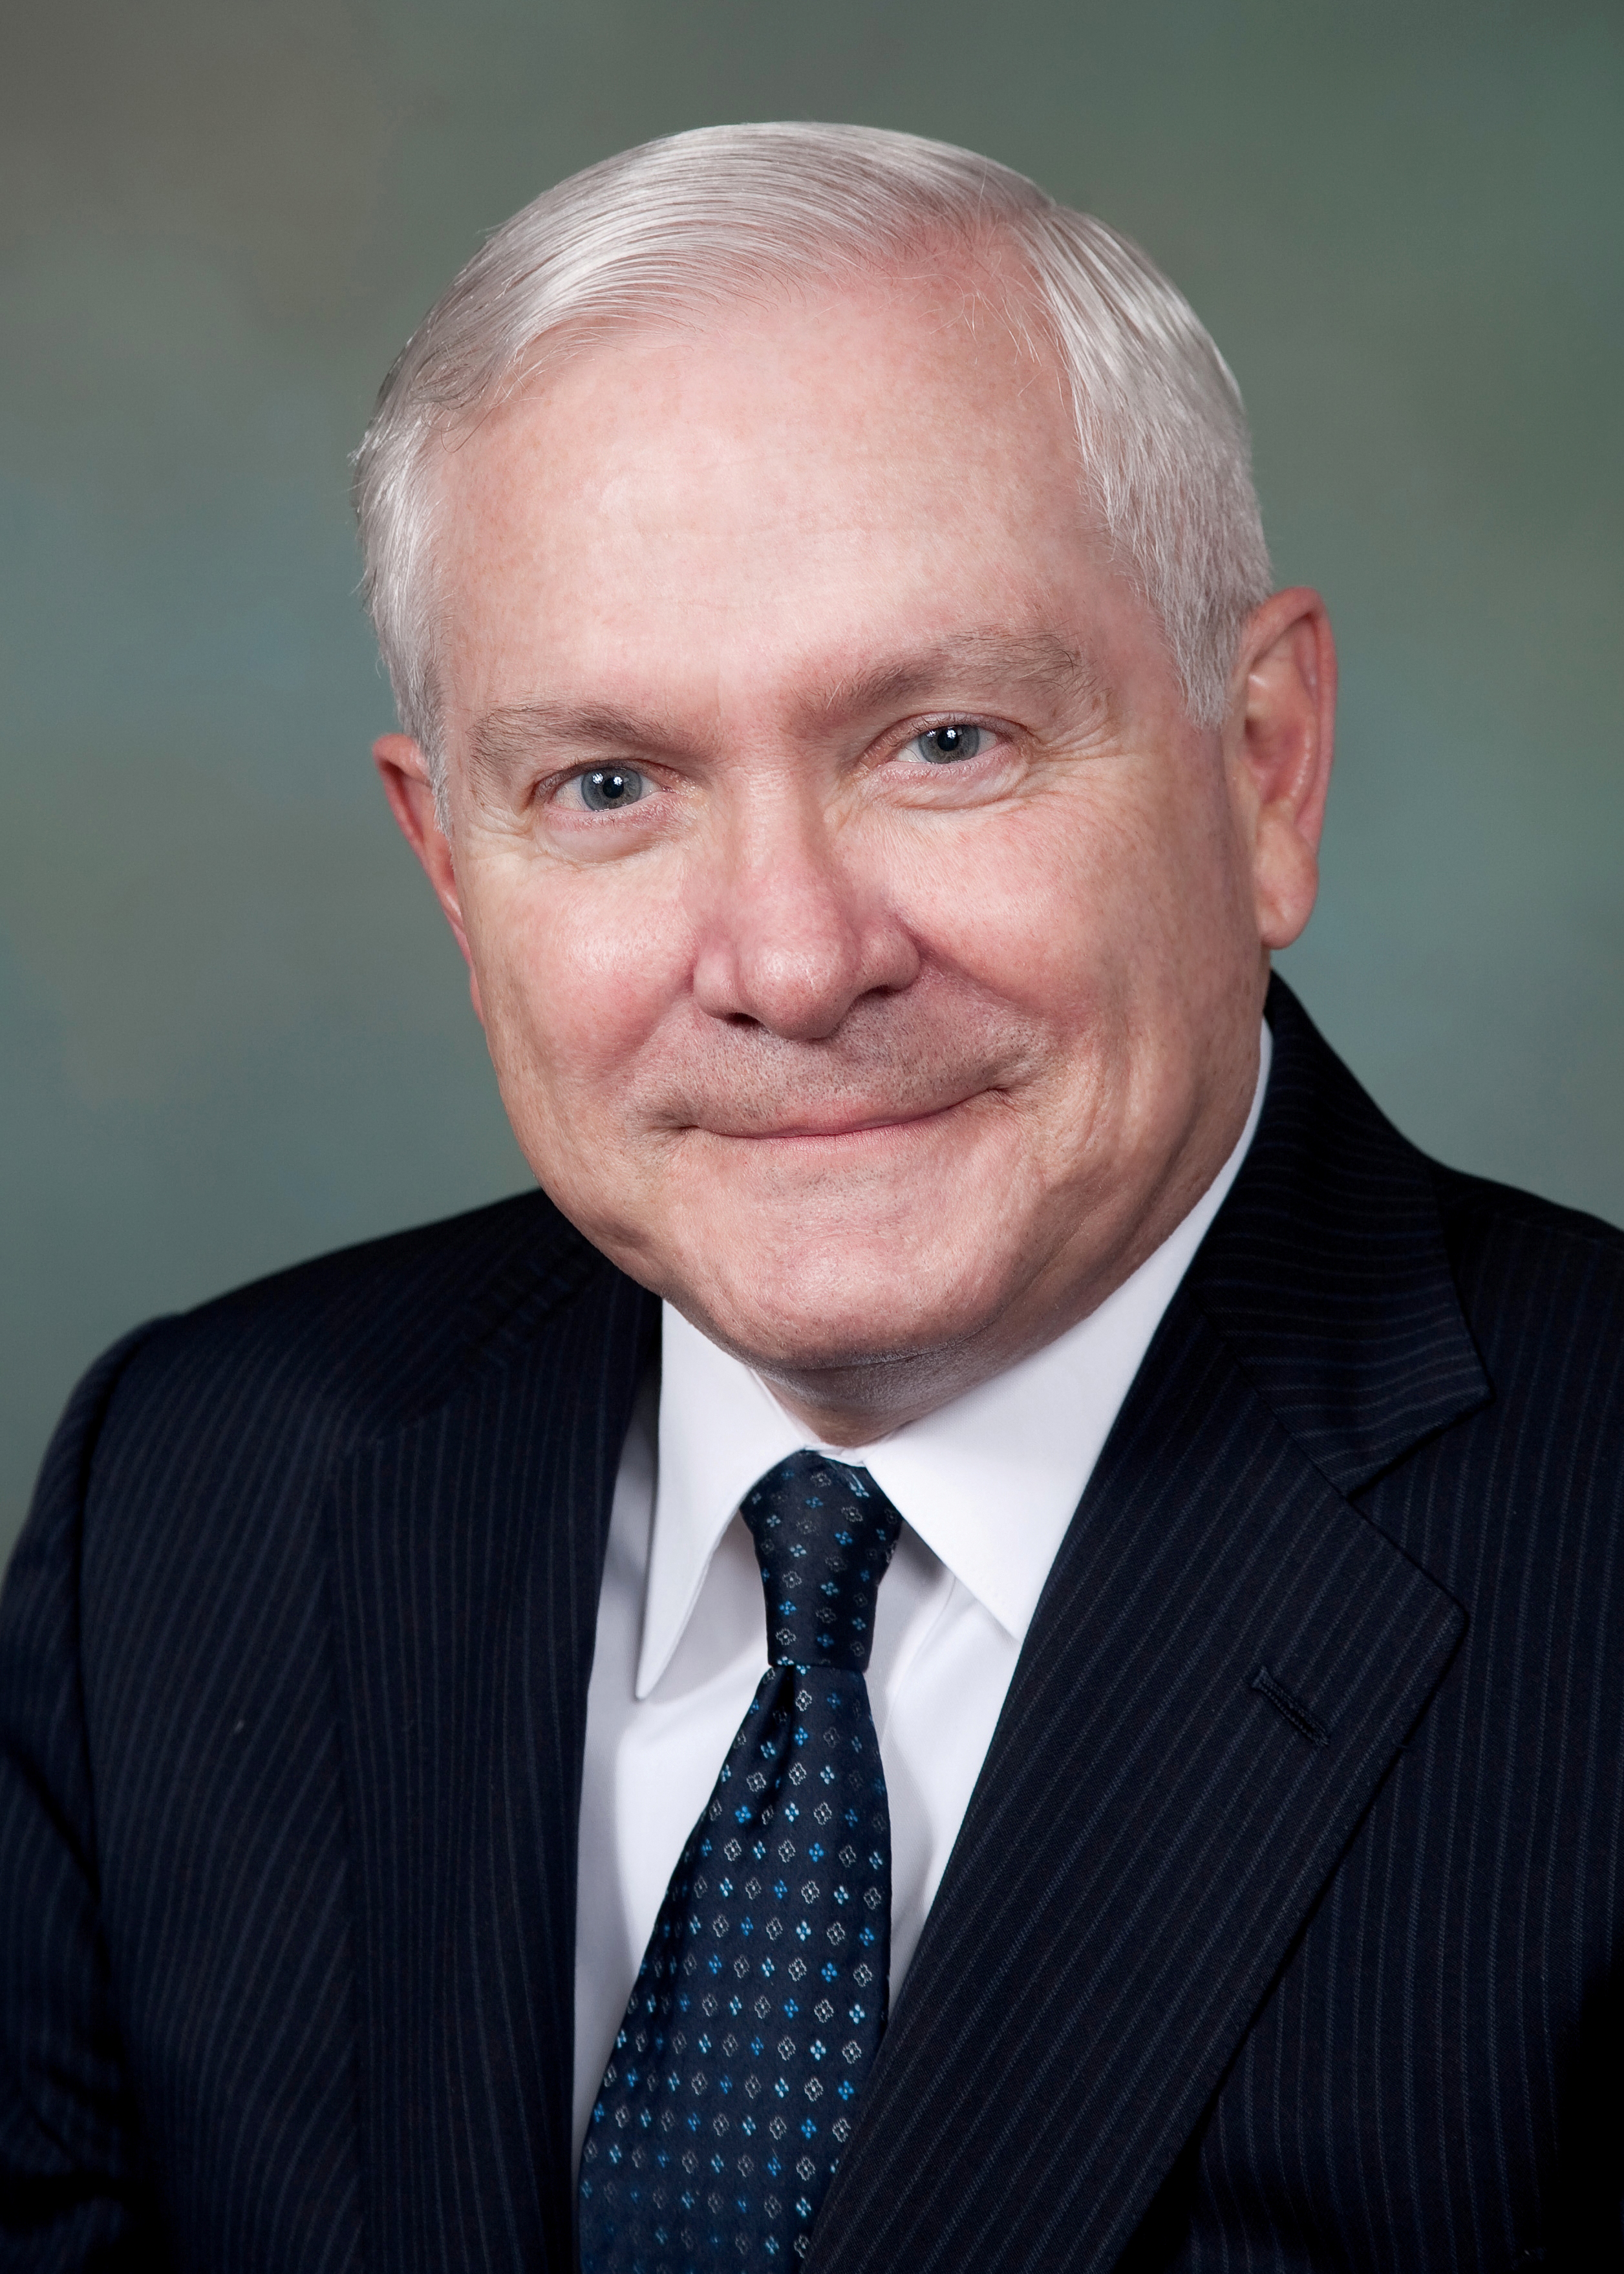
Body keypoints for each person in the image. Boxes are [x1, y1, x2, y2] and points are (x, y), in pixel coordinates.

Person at [1, 122, 1619, 2274]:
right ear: (455, 875)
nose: (789, 959)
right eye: (607, 786)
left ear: (1263, 766)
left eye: (945, 741)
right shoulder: (190, 1502)